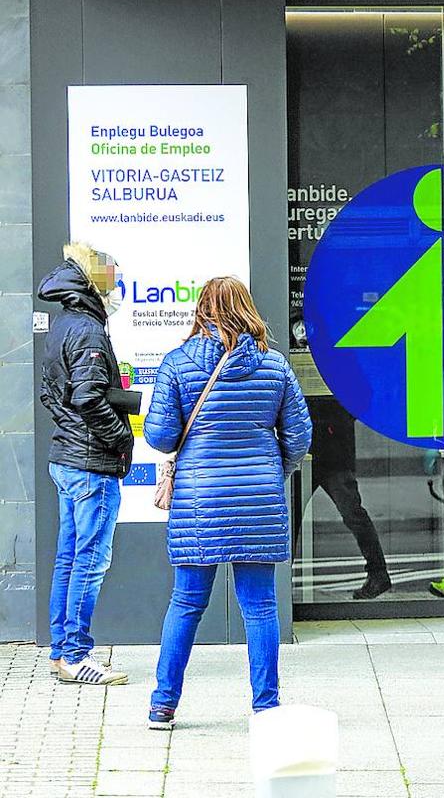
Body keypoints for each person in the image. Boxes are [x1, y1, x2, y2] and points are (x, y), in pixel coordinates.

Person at [143, 277, 312, 730]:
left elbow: (159, 436)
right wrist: (275, 470)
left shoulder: (177, 364)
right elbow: (299, 437)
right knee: (258, 606)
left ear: (202, 310)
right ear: (248, 310)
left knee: (185, 603)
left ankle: (163, 704)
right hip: (258, 495)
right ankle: (266, 705)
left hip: (200, 500)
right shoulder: (275, 365)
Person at [38, 242, 135, 685]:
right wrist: (120, 440)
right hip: (91, 464)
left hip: (68, 458)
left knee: (69, 558)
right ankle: (76, 655)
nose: (117, 290)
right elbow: (89, 398)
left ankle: (62, 651)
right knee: (90, 561)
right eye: (113, 282)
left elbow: (52, 396)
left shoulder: (63, 325)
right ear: (97, 285)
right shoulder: (90, 331)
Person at [307, 396, 392, 600]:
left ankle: (378, 573)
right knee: (354, 514)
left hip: (330, 451)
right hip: (323, 449)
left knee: (353, 514)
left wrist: (335, 423)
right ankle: (378, 573)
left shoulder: (339, 369)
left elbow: (362, 398)